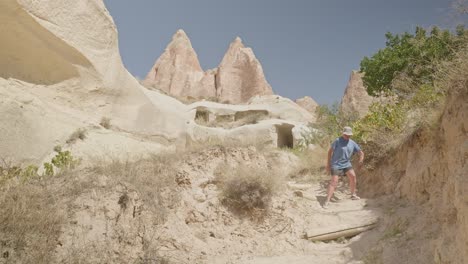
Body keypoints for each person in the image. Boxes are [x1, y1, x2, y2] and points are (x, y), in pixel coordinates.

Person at [323, 126, 364, 209]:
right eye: (346, 135)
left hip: (346, 164)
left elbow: (361, 152)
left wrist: (361, 160)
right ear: (343, 133)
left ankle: (353, 195)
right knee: (334, 181)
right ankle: (327, 201)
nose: (347, 136)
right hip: (336, 164)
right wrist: (328, 164)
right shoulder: (337, 141)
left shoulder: (352, 143)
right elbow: (330, 152)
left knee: (353, 176)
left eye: (349, 135)